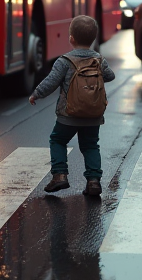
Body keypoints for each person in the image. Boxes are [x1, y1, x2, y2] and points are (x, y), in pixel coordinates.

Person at [29, 15, 115, 197]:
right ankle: (93, 181)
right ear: (93, 39)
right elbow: (110, 76)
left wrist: (37, 93)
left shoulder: (64, 61)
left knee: (58, 140)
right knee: (91, 145)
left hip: (68, 114)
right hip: (93, 115)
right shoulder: (98, 59)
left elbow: (51, 82)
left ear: (71, 38)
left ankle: (59, 175)